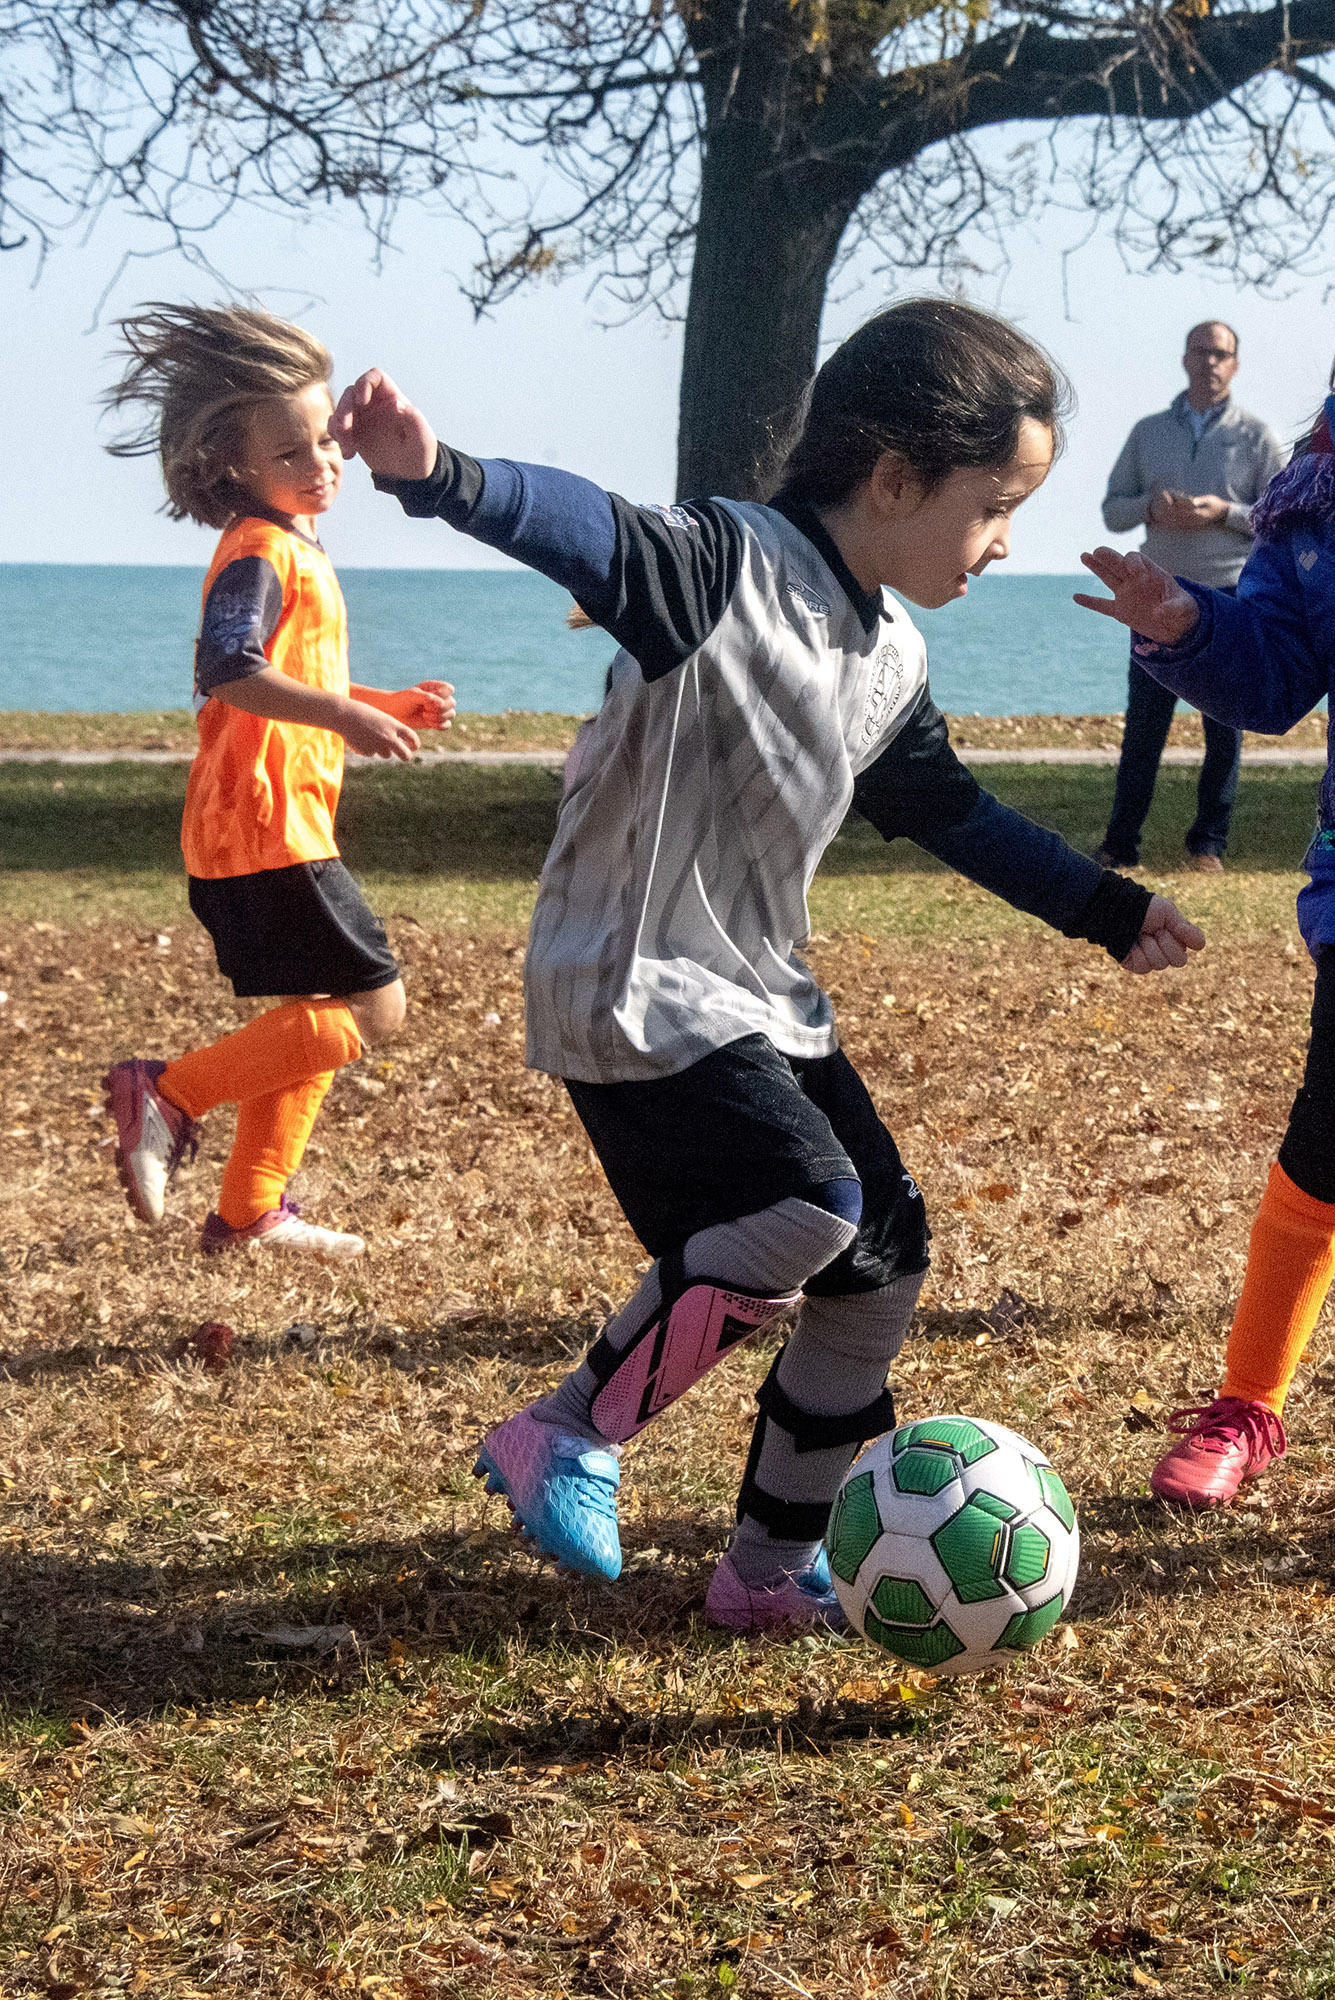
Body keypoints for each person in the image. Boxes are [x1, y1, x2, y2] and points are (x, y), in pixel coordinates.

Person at [337, 298, 1204, 1632]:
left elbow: (953, 812)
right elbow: (587, 529)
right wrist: (438, 474)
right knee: (811, 1203)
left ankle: (763, 1573)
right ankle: (566, 1429)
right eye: (991, 507)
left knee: (880, 1264)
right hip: (632, 987)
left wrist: (1105, 905)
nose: (1002, 543)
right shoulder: (719, 567)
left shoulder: (887, 653)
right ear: (894, 477)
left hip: (754, 999)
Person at [100, 303, 454, 1257]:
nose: (323, 464)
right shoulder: (258, 552)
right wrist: (345, 716)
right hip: (262, 822)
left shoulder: (293, 545)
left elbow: (288, 670)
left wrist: (379, 700)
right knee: (375, 1007)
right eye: (292, 453)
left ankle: (250, 1212)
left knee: (318, 1010)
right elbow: (229, 669)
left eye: (327, 441)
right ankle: (168, 1094)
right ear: (233, 466)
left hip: (271, 822)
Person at [1077, 380, 1335, 1506]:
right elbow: (1275, 674)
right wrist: (1186, 625)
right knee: (1326, 1145)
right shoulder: (1321, 486)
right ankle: (1248, 1404)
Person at [1094, 322, 1286, 874]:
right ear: (1184, 358)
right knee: (1144, 729)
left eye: (1221, 354)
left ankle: (1208, 847)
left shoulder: (1257, 436)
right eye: (1201, 352)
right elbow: (1113, 509)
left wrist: (1224, 513)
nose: (1210, 362)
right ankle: (1120, 845)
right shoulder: (1148, 432)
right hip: (1155, 595)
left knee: (1224, 732)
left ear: (1235, 364)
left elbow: (1281, 517)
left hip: (1229, 598)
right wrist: (1149, 508)